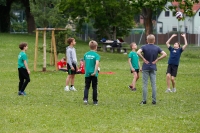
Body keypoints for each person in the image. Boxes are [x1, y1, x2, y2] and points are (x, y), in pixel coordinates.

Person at [137, 34, 167, 105]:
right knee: (153, 84)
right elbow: (165, 54)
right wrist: (157, 59)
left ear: (147, 40)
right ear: (154, 40)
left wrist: (143, 59)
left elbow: (138, 52)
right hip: (153, 67)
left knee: (145, 84)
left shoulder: (144, 47)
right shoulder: (157, 48)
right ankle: (154, 101)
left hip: (145, 67)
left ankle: (144, 100)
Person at [83, 40, 100, 105]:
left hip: (87, 73)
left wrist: (85, 70)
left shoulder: (86, 54)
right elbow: (97, 64)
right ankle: (95, 101)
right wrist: (95, 72)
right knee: (94, 87)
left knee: (87, 87)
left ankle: (85, 99)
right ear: (96, 47)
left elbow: (84, 64)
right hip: (94, 73)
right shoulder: (96, 55)